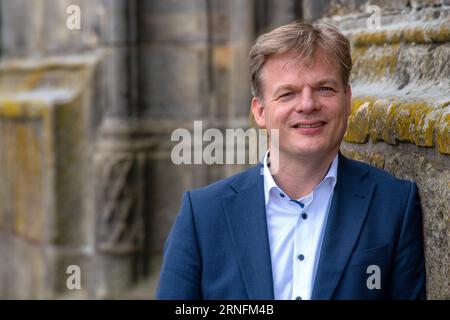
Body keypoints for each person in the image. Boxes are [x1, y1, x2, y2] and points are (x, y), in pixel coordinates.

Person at [156, 21, 426, 300]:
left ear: (347, 101)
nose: (307, 105)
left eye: (324, 89)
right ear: (260, 112)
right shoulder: (202, 215)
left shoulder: (394, 204)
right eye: (288, 93)